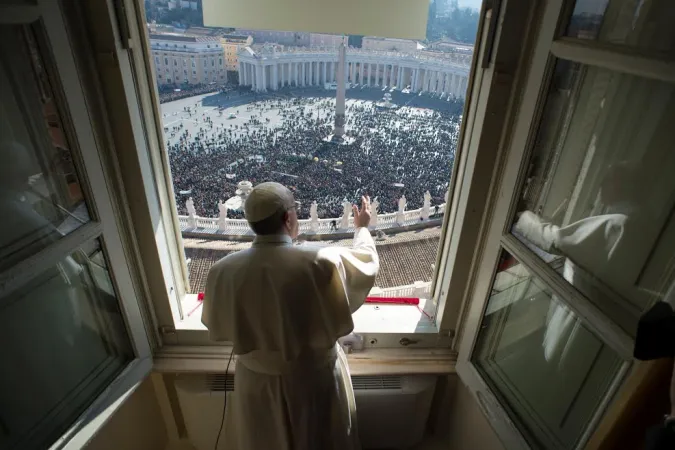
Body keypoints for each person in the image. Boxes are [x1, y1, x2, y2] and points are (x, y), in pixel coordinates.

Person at [201, 182, 379, 450]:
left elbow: (216, 324)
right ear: (288, 217)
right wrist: (362, 227)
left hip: (255, 384)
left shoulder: (221, 271)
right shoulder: (322, 261)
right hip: (313, 381)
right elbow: (366, 261)